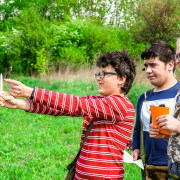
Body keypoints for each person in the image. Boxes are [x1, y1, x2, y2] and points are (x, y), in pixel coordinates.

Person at [0, 50, 136, 180]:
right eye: (98, 74)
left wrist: (31, 92)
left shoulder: (121, 105)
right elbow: (64, 108)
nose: (98, 79)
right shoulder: (97, 101)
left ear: (121, 79)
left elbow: (76, 104)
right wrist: (20, 104)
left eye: (104, 74)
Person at [131, 41, 180, 180]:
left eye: (153, 65)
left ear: (170, 65)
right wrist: (136, 148)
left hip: (175, 166)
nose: (147, 70)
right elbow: (138, 129)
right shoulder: (144, 98)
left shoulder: (179, 93)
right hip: (150, 166)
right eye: (146, 66)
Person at [149, 38, 180, 180]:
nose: (178, 61)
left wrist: (178, 126)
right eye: (178, 56)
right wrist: (165, 134)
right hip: (174, 167)